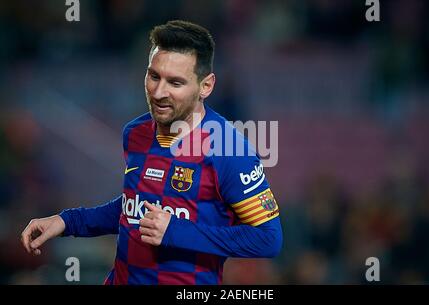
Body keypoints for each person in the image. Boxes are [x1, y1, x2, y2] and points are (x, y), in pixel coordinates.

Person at [20, 20, 282, 285]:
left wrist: (176, 232)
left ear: (206, 86)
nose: (158, 92)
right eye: (154, 76)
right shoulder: (135, 133)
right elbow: (134, 209)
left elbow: (268, 239)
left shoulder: (229, 149)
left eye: (175, 83)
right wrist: (67, 222)